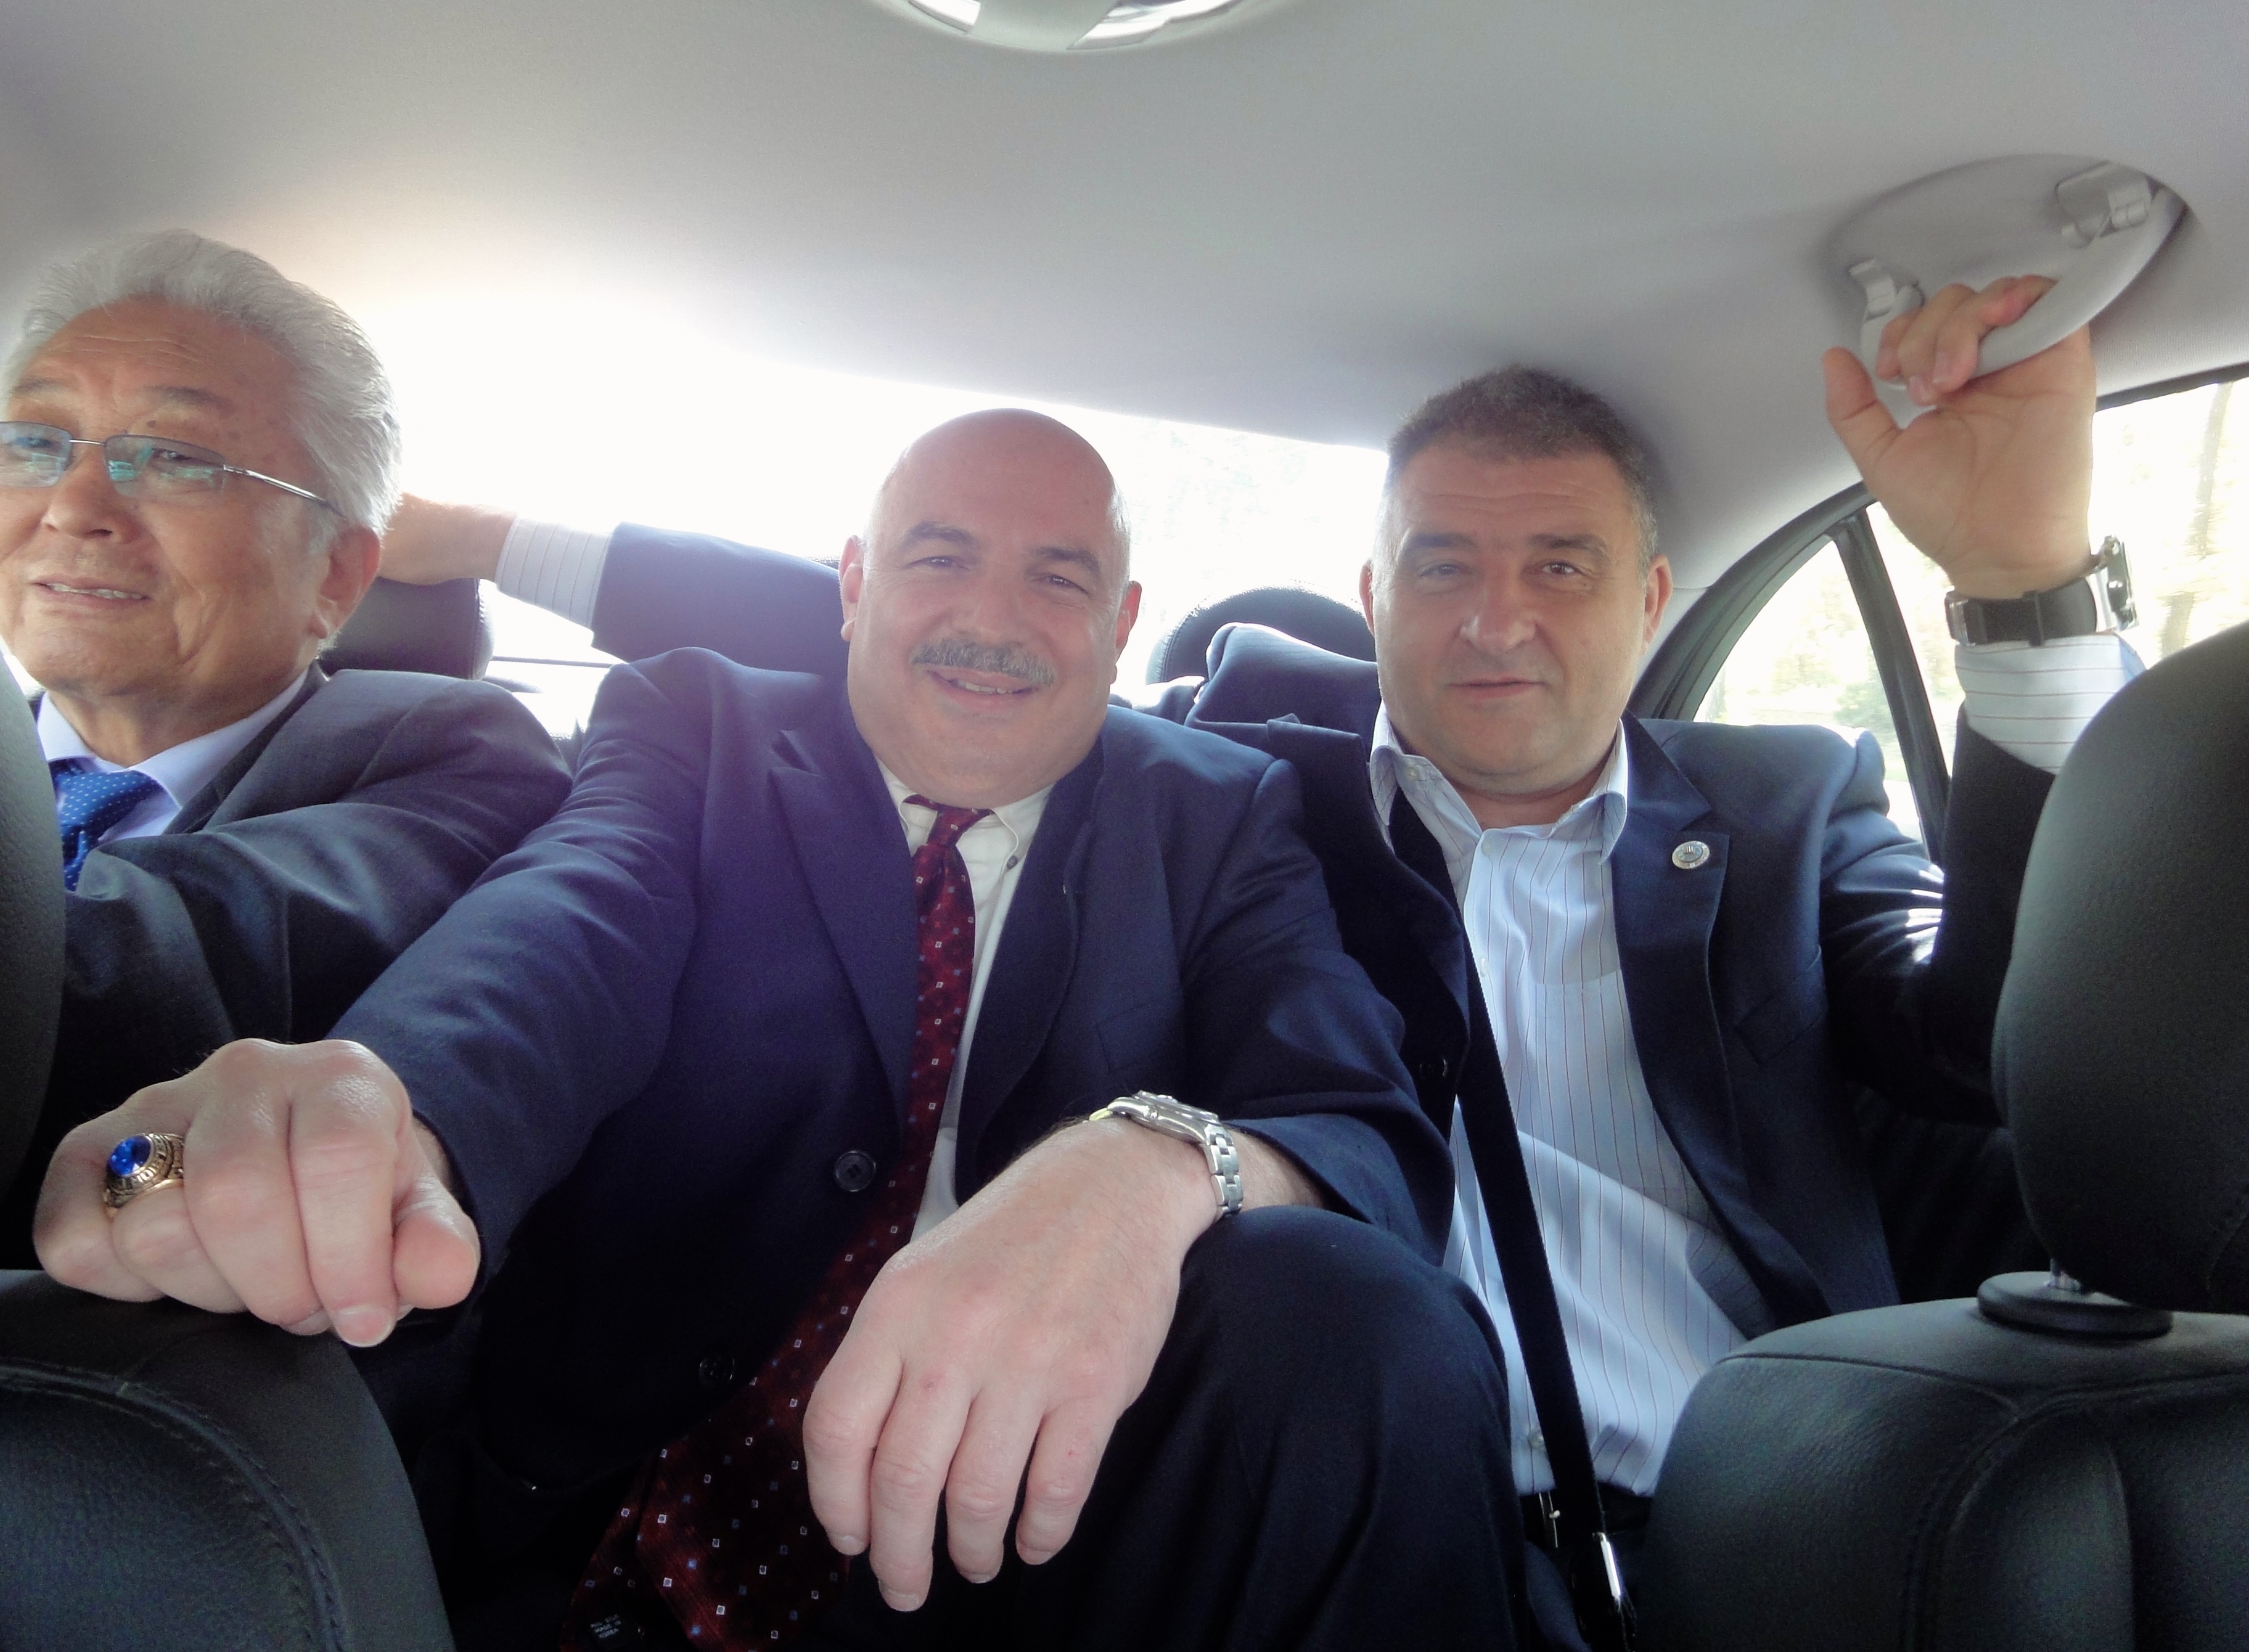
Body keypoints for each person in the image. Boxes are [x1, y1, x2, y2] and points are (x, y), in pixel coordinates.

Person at [379, 278, 2132, 1641]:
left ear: (1655, 598)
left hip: (1762, 1515)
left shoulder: (1789, 806)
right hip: (1356, 1478)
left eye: (1561, 565)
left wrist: (2027, 594)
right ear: (1368, 598)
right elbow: (939, 634)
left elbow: (1997, 1035)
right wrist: (483, 542)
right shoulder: (1251, 782)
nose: (1497, 617)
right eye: (1441, 566)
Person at [37, 408, 1526, 1651]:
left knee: (1361, 1314)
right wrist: (392, 1103)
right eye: (940, 558)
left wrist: (1150, 1168)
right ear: (854, 584)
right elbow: (568, 929)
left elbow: (1355, 1123)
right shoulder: (699, 726)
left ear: (1123, 621)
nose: (992, 620)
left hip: (1021, 1541)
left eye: (1059, 577)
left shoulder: (1214, 813)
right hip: (599, 1527)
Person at [0, 231, 567, 1249]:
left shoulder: (447, 750)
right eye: (32, 443)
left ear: (335, 577)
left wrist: (127, 1179)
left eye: (176, 459)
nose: (73, 508)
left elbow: (171, 987)